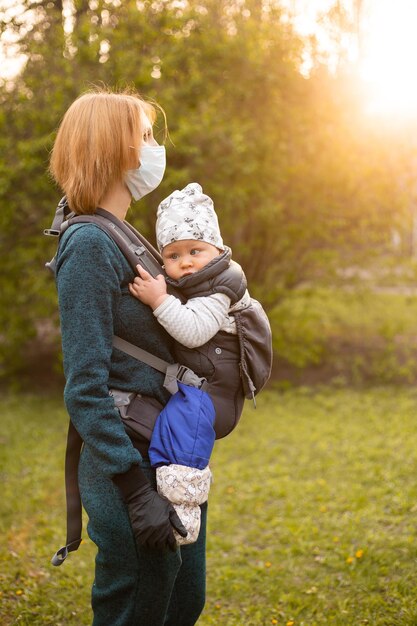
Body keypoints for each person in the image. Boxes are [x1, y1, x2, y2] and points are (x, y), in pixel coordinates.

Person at [49, 88, 209, 626]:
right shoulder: (89, 245)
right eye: (144, 136)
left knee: (183, 601)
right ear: (114, 149)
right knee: (136, 607)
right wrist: (137, 492)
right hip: (131, 463)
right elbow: (85, 387)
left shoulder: (127, 237)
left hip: (167, 454)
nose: (153, 147)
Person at [129, 181, 251, 436]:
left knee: (181, 447)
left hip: (214, 396)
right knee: (172, 439)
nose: (185, 262)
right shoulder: (199, 280)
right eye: (173, 256)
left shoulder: (220, 286)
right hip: (199, 390)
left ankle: (180, 477)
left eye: (195, 251)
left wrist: (158, 300)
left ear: (217, 250)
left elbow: (194, 332)